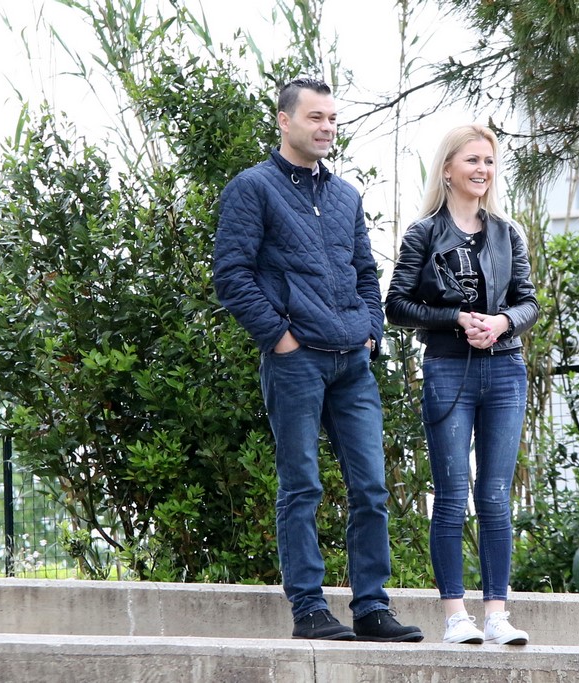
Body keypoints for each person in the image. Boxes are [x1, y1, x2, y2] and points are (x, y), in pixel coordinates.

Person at [213, 77, 422, 643]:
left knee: (371, 489)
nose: (327, 127)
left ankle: (372, 608)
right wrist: (279, 338)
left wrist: (371, 333)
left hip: (352, 362)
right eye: (315, 117)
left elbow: (365, 271)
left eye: (332, 118)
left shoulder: (345, 195)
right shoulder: (252, 188)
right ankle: (308, 609)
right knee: (302, 487)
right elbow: (231, 275)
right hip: (296, 360)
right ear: (285, 121)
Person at [385, 124, 539, 645]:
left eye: (489, 161)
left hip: (505, 370)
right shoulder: (423, 234)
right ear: (448, 168)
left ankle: (496, 613)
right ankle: (455, 616)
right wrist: (455, 318)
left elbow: (529, 302)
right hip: (448, 370)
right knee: (451, 494)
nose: (482, 169)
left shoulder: (507, 233)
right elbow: (396, 305)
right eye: (472, 160)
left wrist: (502, 322)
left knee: (494, 495)